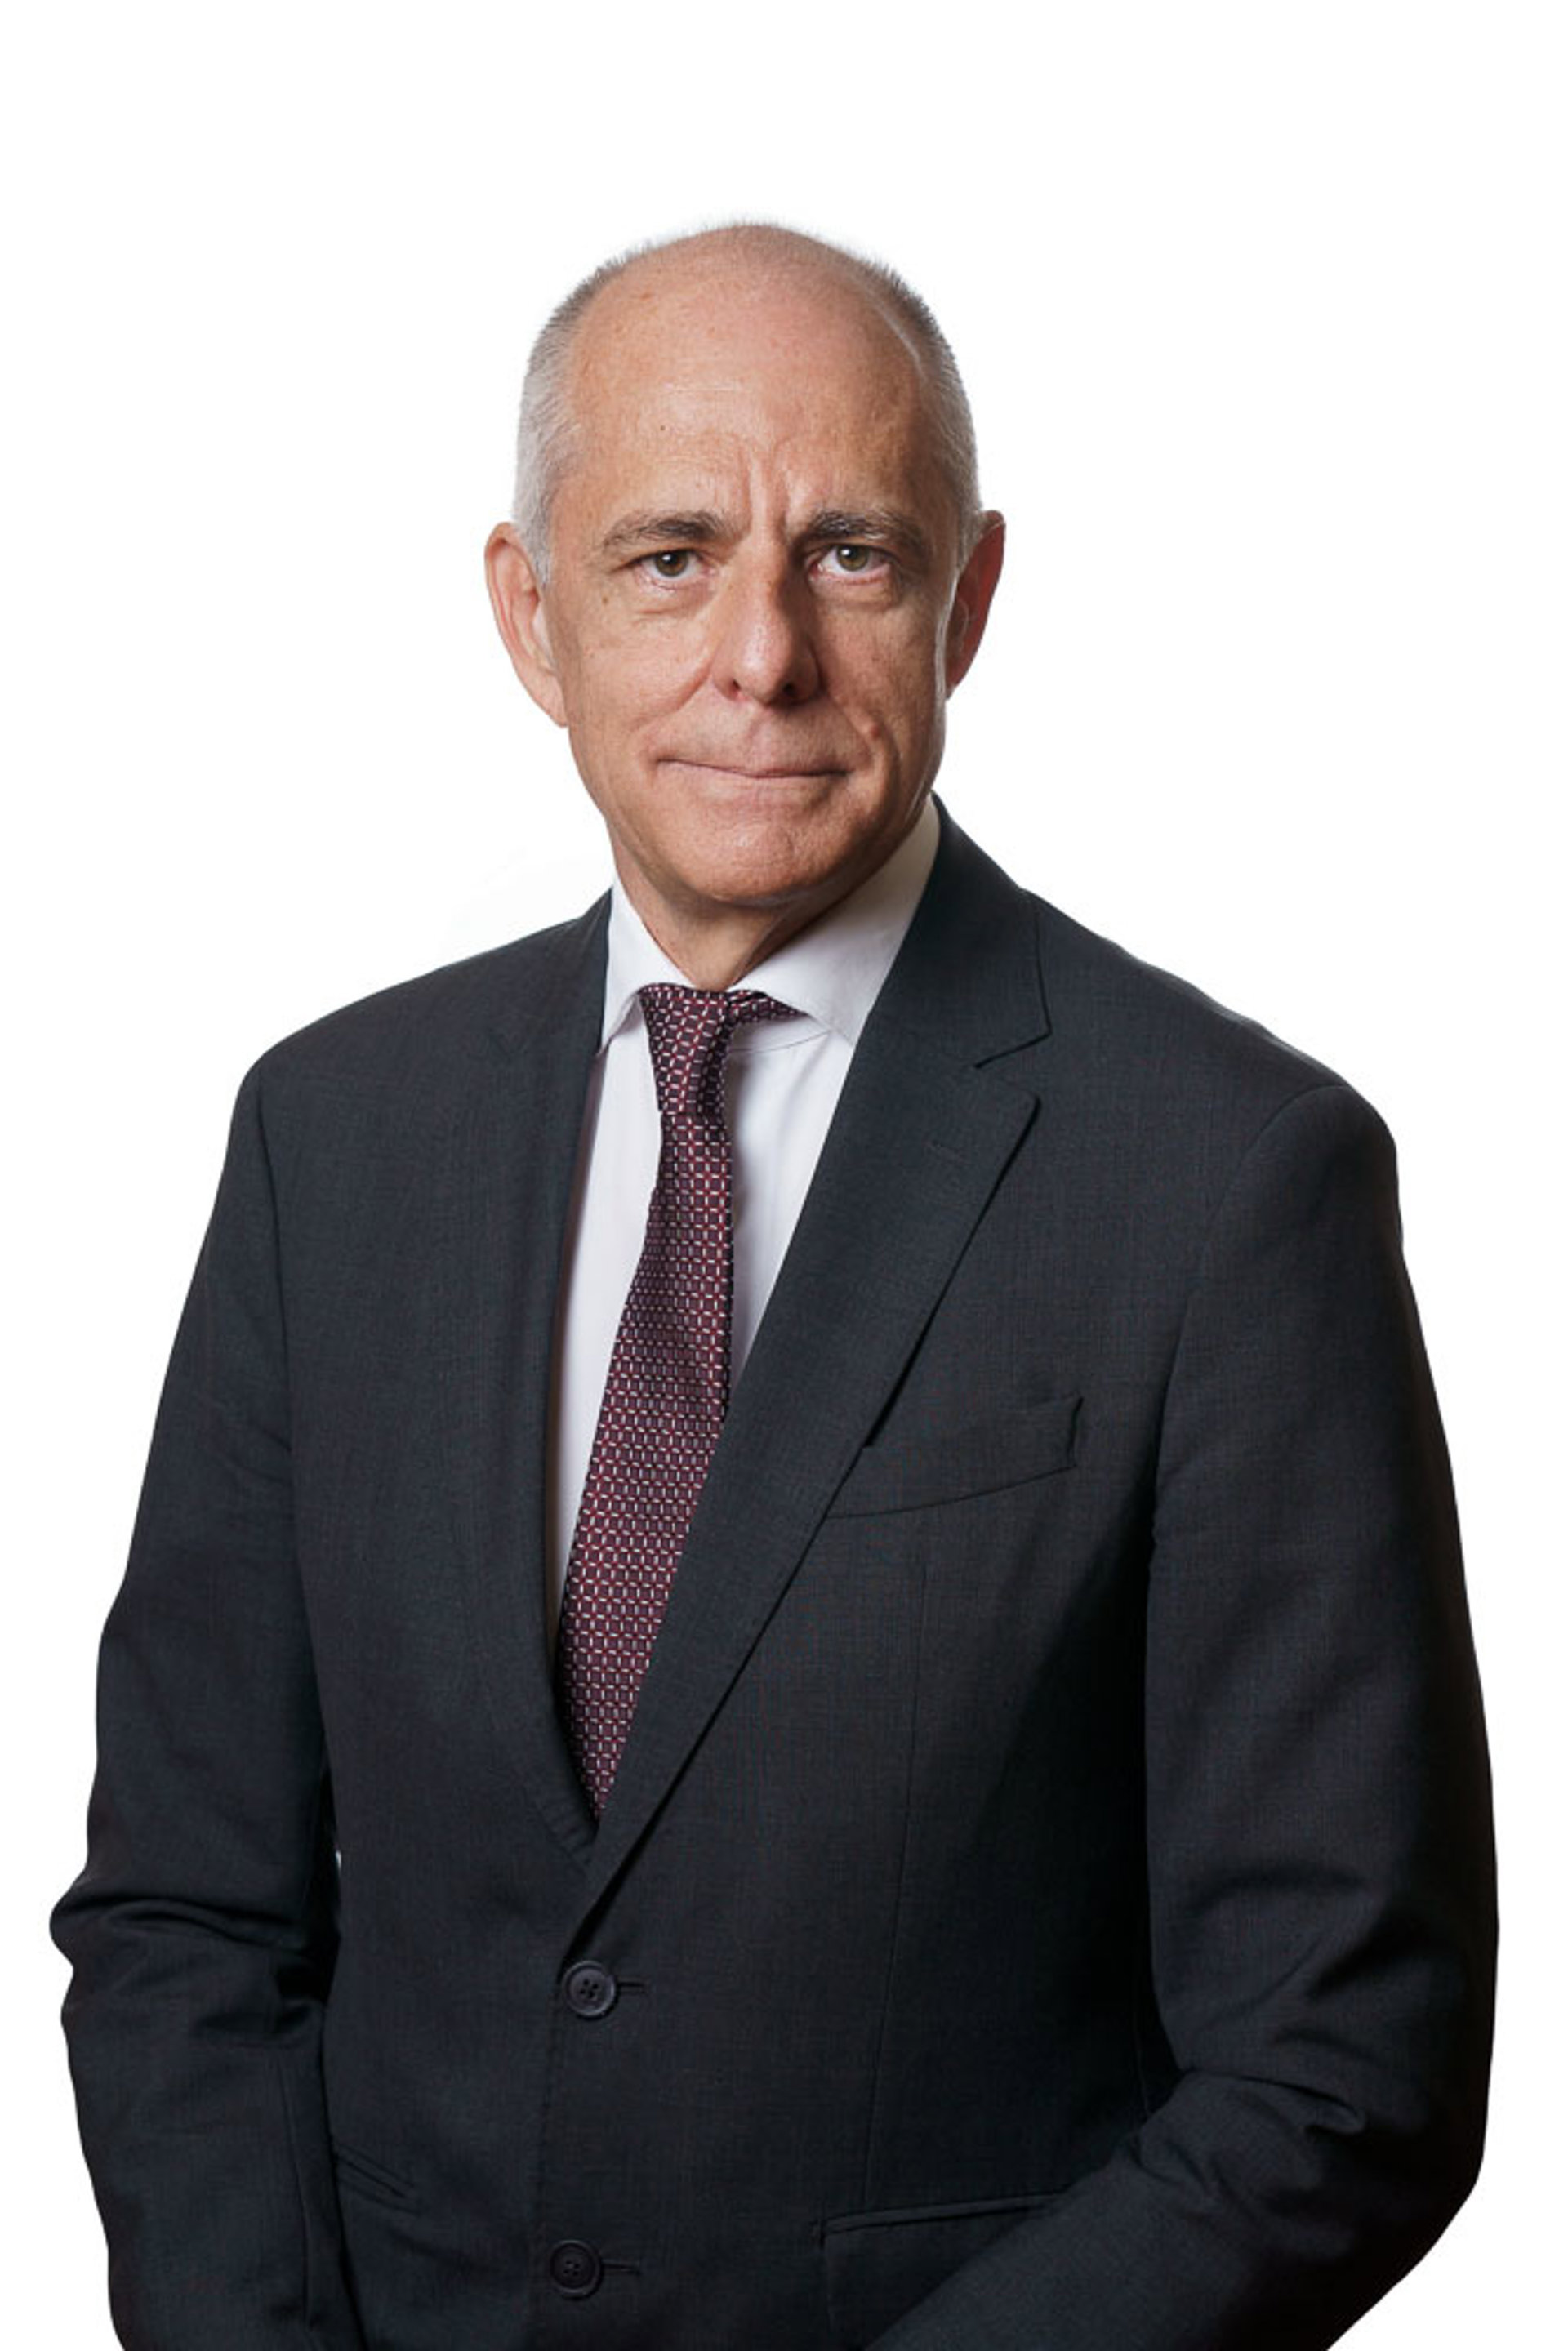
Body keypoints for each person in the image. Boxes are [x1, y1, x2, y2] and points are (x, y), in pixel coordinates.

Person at [53, 224, 1495, 2351]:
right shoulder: (331, 1140)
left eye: (851, 555)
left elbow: (1343, 2063)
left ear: (969, 602)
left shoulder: (1229, 1182)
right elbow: (188, 1915)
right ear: (528, 615)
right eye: (668, 558)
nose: (764, 656)